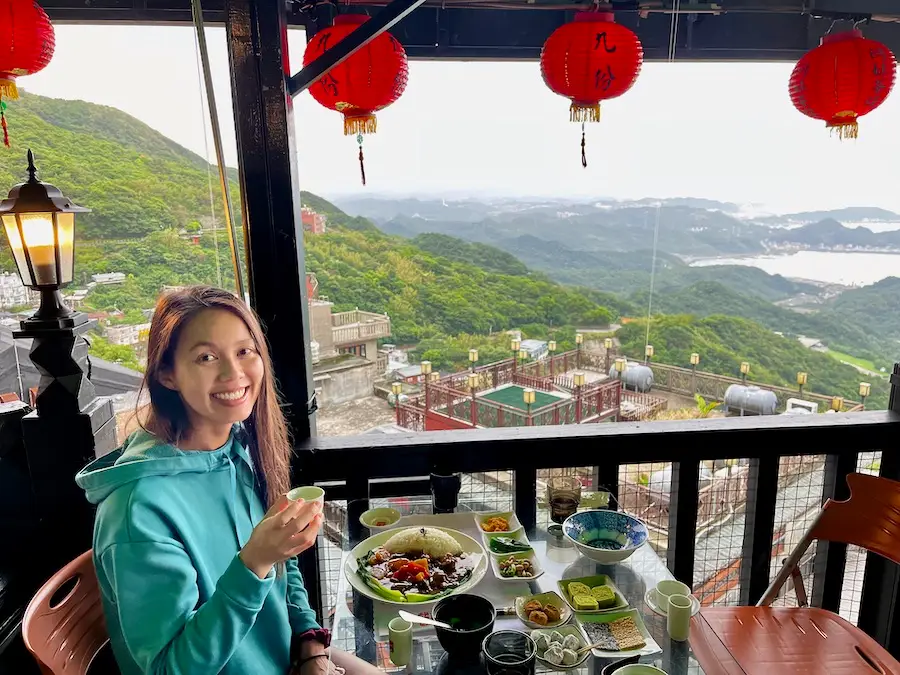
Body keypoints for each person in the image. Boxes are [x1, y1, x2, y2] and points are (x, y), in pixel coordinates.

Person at [76, 286, 381, 675]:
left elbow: (282, 573)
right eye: (206, 357)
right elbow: (170, 668)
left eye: (244, 351)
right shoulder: (138, 511)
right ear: (167, 374)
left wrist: (311, 647)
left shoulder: (236, 452)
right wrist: (254, 562)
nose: (233, 373)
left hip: (284, 658)